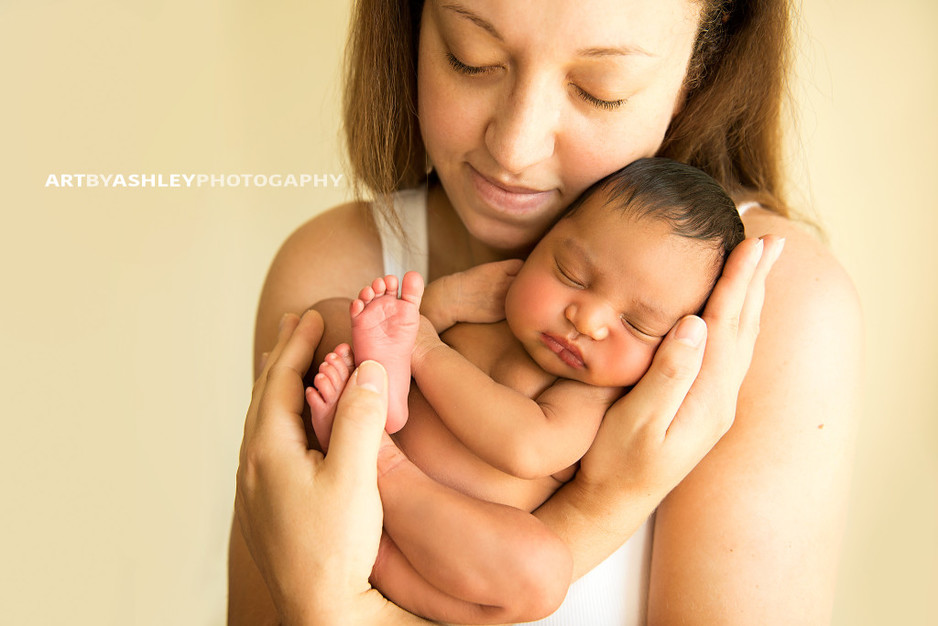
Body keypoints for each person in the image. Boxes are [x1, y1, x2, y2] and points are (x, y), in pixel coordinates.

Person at [230, 0, 861, 624]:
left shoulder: (764, 312)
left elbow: (531, 448)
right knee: (332, 319)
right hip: (392, 393)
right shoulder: (332, 260)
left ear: (701, 68)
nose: (514, 147)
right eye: (470, 57)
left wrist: (331, 608)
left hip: (445, 509)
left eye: (600, 90)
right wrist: (429, 316)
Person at [305, 157, 747, 623]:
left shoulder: (593, 397)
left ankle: (379, 524)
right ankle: (378, 394)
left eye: (638, 325)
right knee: (329, 315)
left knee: (542, 571)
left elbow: (525, 448)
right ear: (538, 243)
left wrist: (424, 349)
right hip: (354, 472)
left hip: (443, 538)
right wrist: (440, 304)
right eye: (571, 274)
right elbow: (402, 325)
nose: (588, 320)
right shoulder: (489, 303)